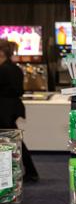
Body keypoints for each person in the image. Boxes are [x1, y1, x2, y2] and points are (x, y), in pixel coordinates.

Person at [0, 40, 39, 182]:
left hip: (4, 110)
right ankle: (28, 171)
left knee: (10, 141)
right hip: (11, 108)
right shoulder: (14, 68)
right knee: (14, 140)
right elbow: (19, 90)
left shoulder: (4, 69)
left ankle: (14, 174)